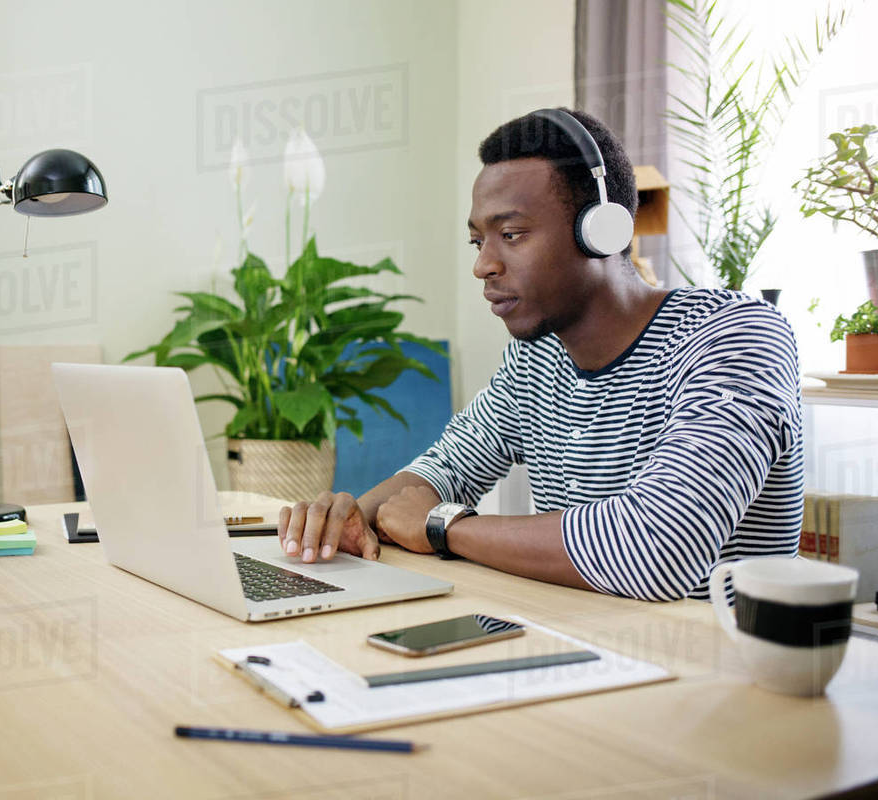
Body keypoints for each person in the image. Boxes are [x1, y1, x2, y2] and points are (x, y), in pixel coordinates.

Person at [276, 108, 803, 602]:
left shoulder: (736, 337)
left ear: (601, 231)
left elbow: (658, 547)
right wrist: (351, 517)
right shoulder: (537, 359)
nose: (484, 265)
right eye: (477, 241)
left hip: (717, 672)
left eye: (511, 234)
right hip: (579, 648)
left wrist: (445, 526)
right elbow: (447, 468)